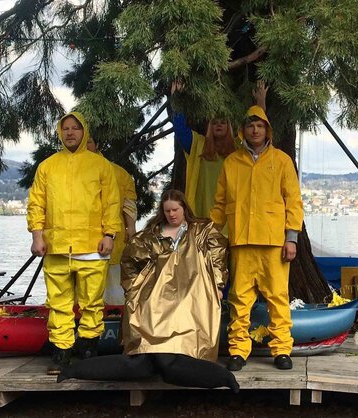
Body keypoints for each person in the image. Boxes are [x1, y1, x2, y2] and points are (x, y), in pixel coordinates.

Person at [57, 190, 239, 393]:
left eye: (175, 210)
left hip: (192, 292)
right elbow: (129, 260)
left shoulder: (202, 230)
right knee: (146, 345)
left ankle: (203, 369)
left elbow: (218, 256)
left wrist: (218, 285)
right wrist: (134, 288)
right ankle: (79, 369)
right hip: (155, 294)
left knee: (181, 321)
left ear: (185, 208)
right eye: (167, 210)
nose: (171, 214)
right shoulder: (151, 234)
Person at [27, 111, 122, 374]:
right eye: (66, 128)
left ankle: (89, 350)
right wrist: (37, 235)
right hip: (56, 247)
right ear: (60, 132)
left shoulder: (100, 165)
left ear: (85, 132)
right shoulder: (47, 166)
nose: (70, 132)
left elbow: (111, 202)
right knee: (58, 303)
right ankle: (61, 354)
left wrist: (109, 234)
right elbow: (37, 203)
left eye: (75, 128)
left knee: (92, 302)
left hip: (93, 246)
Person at [210, 104, 303, 372]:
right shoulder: (231, 162)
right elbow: (219, 204)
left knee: (278, 297)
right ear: (243, 130)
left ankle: (282, 349)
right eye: (250, 125)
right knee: (239, 299)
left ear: (267, 130)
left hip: (274, 242)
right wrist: (209, 234)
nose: (255, 130)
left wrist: (292, 238)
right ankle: (238, 350)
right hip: (240, 241)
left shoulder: (282, 161)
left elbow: (294, 202)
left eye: (260, 125)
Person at [171, 81, 267, 217]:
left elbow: (257, 130)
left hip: (233, 217)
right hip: (202, 215)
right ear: (209, 126)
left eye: (223, 122)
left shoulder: (238, 147)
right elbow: (180, 129)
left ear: (229, 126)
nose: (219, 125)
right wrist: (176, 99)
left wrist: (260, 102)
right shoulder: (198, 144)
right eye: (214, 122)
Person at [85, 137, 137, 306]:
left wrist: (131, 228)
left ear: (97, 144)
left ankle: (115, 321)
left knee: (114, 287)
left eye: (90, 142)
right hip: (81, 242)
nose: (85, 146)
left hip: (113, 239)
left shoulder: (118, 173)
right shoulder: (66, 173)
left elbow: (129, 203)